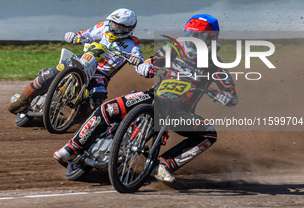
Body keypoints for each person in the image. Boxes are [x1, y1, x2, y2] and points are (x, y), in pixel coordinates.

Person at [53, 14, 238, 184]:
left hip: (180, 113)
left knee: (208, 133)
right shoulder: (174, 48)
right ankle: (72, 148)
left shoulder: (216, 64)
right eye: (189, 33)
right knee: (109, 108)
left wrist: (225, 96)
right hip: (151, 97)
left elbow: (231, 94)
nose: (192, 38)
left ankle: (164, 165)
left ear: (210, 39)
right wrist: (146, 66)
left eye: (198, 36)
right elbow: (153, 60)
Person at [8, 8, 145, 116]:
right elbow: (87, 34)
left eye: (118, 27)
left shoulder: (133, 43)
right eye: (112, 24)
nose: (113, 28)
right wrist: (75, 36)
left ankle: (78, 120)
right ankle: (21, 101)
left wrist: (137, 61)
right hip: (83, 59)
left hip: (101, 74)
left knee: (98, 97)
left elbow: (138, 59)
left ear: (127, 29)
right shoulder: (103, 26)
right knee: (48, 75)